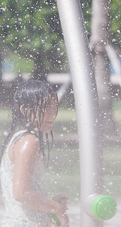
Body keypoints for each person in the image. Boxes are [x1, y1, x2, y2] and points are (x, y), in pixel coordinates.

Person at [1, 80, 69, 227]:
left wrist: (48, 203)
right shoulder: (29, 141)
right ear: (24, 110)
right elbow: (21, 193)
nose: (52, 113)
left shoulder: (17, 138)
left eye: (54, 106)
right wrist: (56, 209)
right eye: (45, 107)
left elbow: (23, 193)